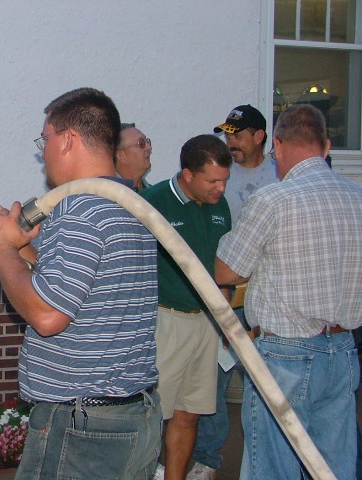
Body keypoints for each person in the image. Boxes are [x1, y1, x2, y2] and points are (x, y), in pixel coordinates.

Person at [0, 87, 162, 480]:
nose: (43, 151)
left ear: (69, 139)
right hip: (130, 417)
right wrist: (20, 249)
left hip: (84, 428)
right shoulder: (130, 202)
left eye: (46, 139)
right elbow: (80, 291)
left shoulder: (80, 208)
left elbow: (48, 315)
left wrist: (3, 251)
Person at [215, 103, 362, 479]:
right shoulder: (357, 197)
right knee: (333, 466)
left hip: (285, 354)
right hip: (344, 351)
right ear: (326, 146)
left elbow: (227, 270)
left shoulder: (272, 200)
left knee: (272, 466)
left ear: (276, 145)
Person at [187, 104, 278, 480]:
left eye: (238, 135)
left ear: (259, 136)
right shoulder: (220, 173)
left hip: (271, 295)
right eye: (227, 134)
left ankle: (272, 460)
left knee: (270, 379)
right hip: (227, 291)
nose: (231, 142)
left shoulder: (281, 173)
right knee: (215, 378)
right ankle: (208, 460)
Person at [141, 134, 232, 480]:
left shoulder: (218, 205)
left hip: (207, 323)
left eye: (224, 180)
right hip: (164, 321)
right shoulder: (153, 202)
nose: (220, 189)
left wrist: (225, 321)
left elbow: (222, 264)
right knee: (152, 414)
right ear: (188, 174)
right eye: (213, 180)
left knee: (189, 414)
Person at [115, 122, 153, 192]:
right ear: (121, 156)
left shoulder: (156, 195)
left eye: (147, 141)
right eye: (141, 143)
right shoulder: (108, 198)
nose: (149, 147)